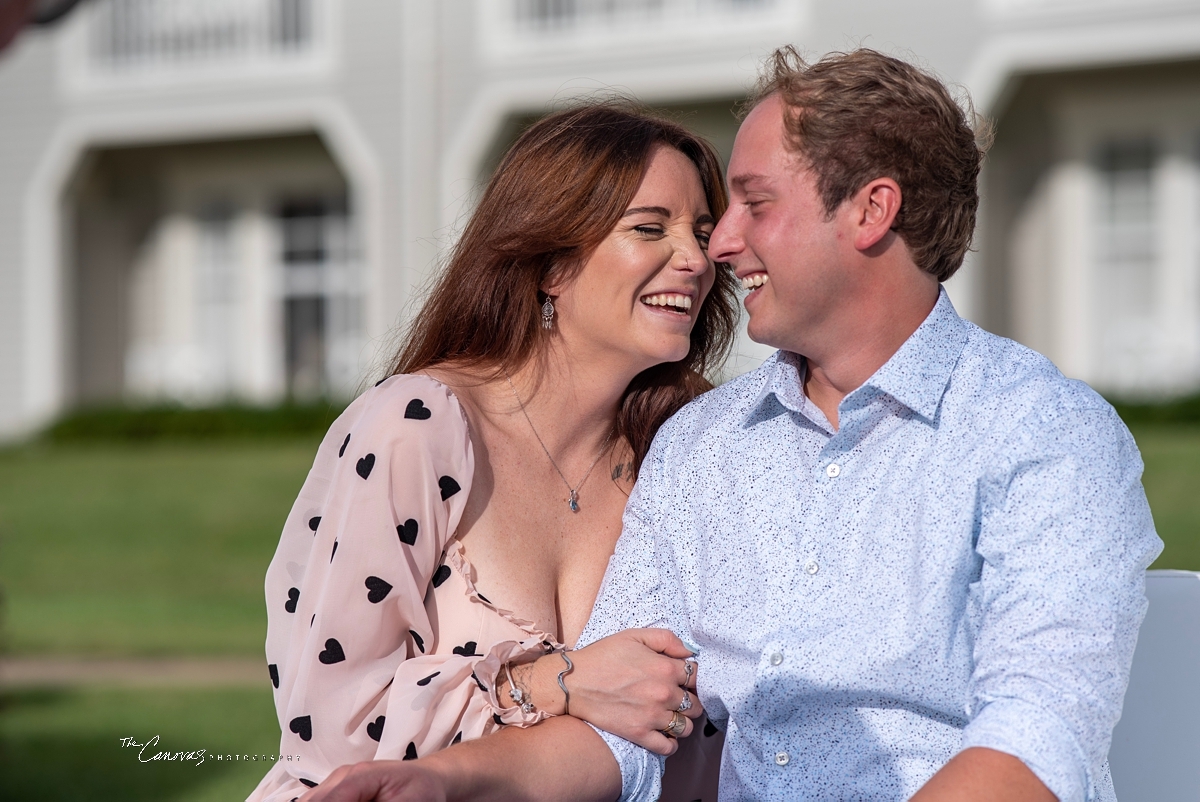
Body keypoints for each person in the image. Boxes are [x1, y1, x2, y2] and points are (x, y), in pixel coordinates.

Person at [302, 47, 1163, 802]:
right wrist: (446, 781)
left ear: (870, 211)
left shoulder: (1043, 432)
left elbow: (1036, 738)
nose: (716, 248)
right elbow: (623, 731)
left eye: (752, 204)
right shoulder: (700, 445)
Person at [248, 102, 739, 802]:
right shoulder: (417, 426)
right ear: (552, 265)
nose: (695, 260)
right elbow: (330, 724)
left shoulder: (686, 450)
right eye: (649, 229)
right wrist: (555, 683)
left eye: (700, 230)